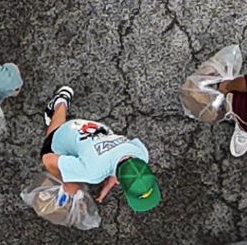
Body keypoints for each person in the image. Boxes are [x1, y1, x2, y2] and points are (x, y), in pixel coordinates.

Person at [39, 86, 160, 214]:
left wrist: (110, 182)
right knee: (52, 137)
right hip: (66, 133)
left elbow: (124, 160)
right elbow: (48, 160)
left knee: (82, 155)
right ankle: (60, 102)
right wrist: (67, 183)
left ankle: (62, 102)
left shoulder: (142, 154)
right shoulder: (93, 173)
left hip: (95, 131)